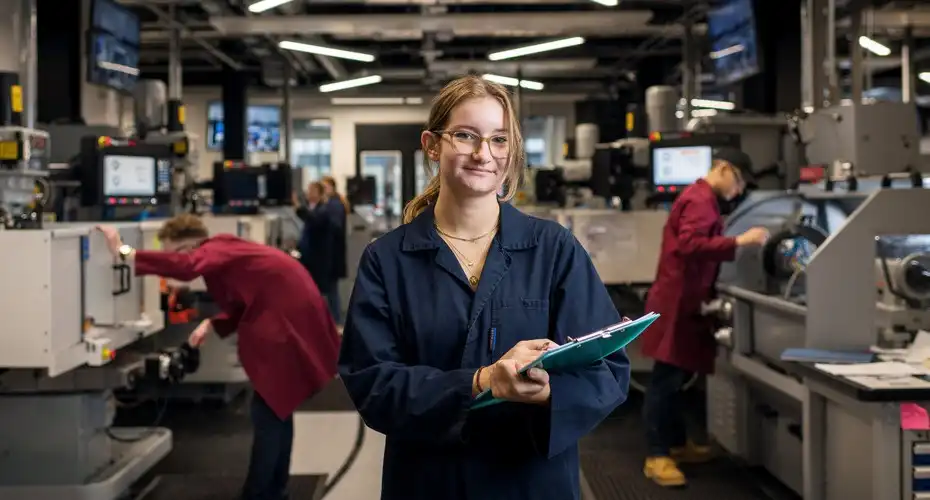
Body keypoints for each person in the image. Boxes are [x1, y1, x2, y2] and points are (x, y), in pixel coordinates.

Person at [337, 75, 631, 500]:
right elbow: (373, 383)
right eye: (465, 136)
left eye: (498, 139)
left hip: (531, 481)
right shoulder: (387, 259)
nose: (483, 154)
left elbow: (609, 370)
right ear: (432, 144)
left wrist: (552, 390)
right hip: (429, 481)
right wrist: (481, 381)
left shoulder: (552, 248)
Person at [95, 214, 340, 500]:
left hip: (283, 326)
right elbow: (245, 297)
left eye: (174, 252)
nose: (173, 260)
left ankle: (259, 494)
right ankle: (274, 489)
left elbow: (187, 268)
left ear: (189, 245)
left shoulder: (213, 249)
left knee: (269, 413)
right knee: (277, 411)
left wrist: (124, 251)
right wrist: (211, 323)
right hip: (292, 317)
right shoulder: (225, 249)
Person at [640, 148, 770, 488]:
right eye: (738, 182)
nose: (737, 191)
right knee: (664, 382)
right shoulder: (699, 199)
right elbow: (691, 244)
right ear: (724, 169)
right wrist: (740, 240)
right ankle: (656, 455)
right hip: (677, 302)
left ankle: (678, 445)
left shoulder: (703, 198)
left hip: (686, 301)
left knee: (676, 378)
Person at [293, 181, 338, 308]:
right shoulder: (312, 208)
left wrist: (297, 207)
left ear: (319, 193)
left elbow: (314, 221)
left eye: (312, 190)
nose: (308, 193)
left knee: (323, 292)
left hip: (319, 259)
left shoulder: (323, 210)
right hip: (310, 257)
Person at [320, 176, 348, 323]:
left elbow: (335, 227)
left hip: (331, 256)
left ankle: (335, 323)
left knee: (332, 293)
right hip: (332, 255)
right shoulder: (333, 204)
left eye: (325, 188)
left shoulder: (334, 205)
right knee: (331, 292)